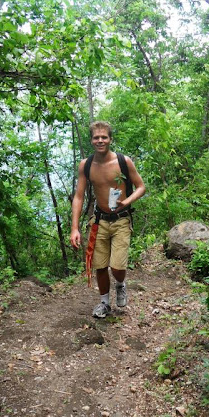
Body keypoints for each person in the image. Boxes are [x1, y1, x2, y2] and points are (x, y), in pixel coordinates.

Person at [70, 121, 146, 318]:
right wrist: (75, 228)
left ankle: (120, 284)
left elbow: (141, 186)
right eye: (96, 137)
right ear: (91, 140)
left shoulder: (123, 161)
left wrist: (126, 201)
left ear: (110, 139)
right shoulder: (85, 165)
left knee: (118, 266)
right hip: (99, 220)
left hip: (121, 219)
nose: (100, 140)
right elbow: (78, 196)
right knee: (100, 265)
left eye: (104, 137)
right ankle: (104, 303)